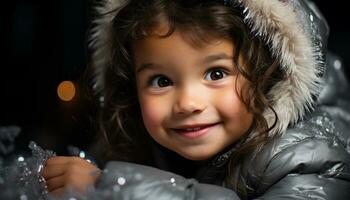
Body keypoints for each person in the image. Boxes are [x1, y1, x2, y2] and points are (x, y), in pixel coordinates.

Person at [42, 0, 350, 199]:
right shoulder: (134, 146)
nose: (188, 103)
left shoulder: (309, 158)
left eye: (216, 74)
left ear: (268, 74)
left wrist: (112, 188)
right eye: (161, 81)